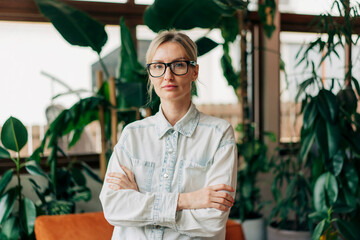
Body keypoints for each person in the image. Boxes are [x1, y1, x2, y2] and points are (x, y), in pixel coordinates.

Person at [99, 30, 238, 240]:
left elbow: (212, 221)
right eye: (158, 66)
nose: (167, 75)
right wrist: (187, 201)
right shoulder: (132, 134)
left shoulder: (219, 134)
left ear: (195, 71)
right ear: (150, 73)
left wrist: (140, 201)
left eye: (179, 65)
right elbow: (113, 208)